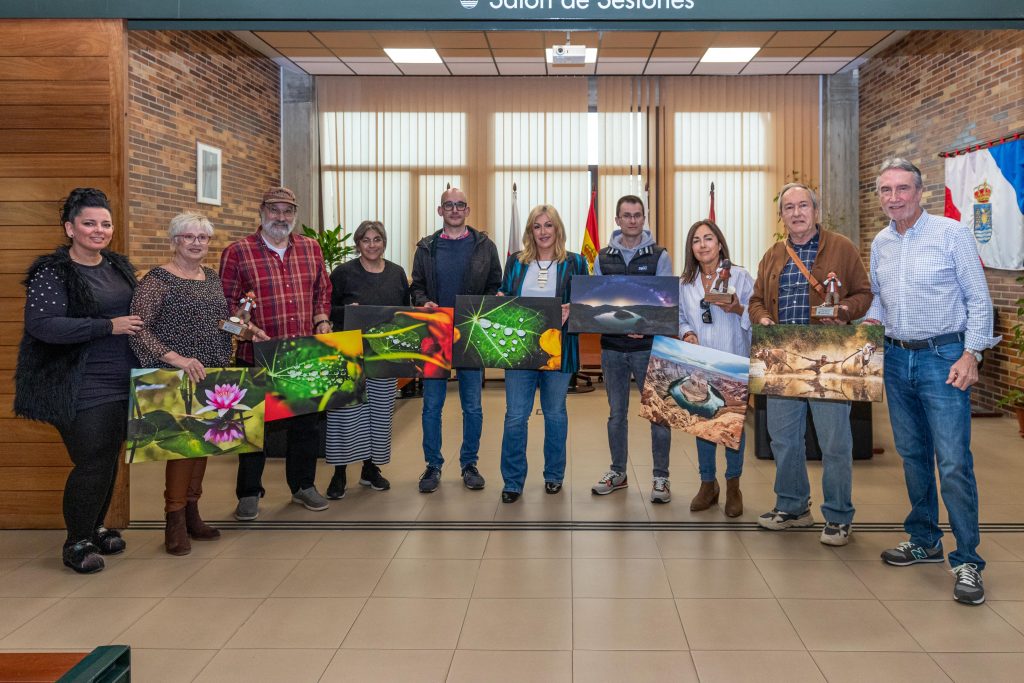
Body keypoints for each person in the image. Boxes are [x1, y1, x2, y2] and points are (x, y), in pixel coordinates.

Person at [865, 158, 999, 604]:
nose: (894, 198)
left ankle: (967, 561)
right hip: (898, 358)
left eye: (902, 189)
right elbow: (880, 300)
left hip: (944, 358)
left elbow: (978, 298)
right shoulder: (881, 241)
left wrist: (972, 353)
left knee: (954, 461)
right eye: (886, 190)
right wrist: (868, 335)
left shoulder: (951, 234)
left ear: (920, 192)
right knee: (912, 455)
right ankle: (924, 539)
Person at [15, 188, 142, 574]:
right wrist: (107, 325)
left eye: (105, 223)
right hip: (78, 382)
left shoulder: (118, 267)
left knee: (108, 456)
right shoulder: (52, 272)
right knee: (92, 460)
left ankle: (96, 526)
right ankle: (76, 542)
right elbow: (43, 326)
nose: (98, 230)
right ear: (70, 227)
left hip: (124, 378)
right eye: (89, 223)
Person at [130, 212, 266, 555]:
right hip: (176, 375)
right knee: (180, 450)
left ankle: (192, 513)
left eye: (202, 238)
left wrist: (248, 332)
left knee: (204, 445)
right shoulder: (157, 280)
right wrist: (175, 358)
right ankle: (173, 520)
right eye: (188, 237)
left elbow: (220, 323)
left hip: (213, 373)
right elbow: (138, 328)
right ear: (175, 240)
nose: (196, 243)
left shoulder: (210, 277)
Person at [748, 182, 871, 546]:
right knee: (783, 438)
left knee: (834, 441)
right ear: (781, 215)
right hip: (782, 356)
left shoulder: (842, 248)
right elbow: (756, 301)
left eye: (803, 205)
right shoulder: (773, 254)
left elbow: (864, 293)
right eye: (789, 207)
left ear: (815, 211)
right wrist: (764, 320)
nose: (797, 212)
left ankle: (837, 515)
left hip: (828, 355)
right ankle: (793, 506)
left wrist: (846, 310)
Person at [219, 186, 333, 520]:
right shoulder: (237, 252)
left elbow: (321, 292)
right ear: (261, 211)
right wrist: (245, 331)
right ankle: (249, 492)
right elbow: (224, 312)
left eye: (287, 211)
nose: (281, 217)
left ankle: (303, 486)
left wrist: (322, 320)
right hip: (258, 356)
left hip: (303, 354)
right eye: (274, 210)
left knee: (306, 428)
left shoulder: (311, 249)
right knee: (253, 429)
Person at [410, 187, 502, 493]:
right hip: (436, 334)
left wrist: (483, 306)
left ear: (468, 209)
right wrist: (424, 302)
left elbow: (495, 285)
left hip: (471, 333)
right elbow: (417, 287)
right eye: (448, 205)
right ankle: (433, 465)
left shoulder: (484, 246)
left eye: (460, 204)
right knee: (431, 406)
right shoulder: (425, 247)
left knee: (472, 406)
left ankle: (469, 464)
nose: (454, 209)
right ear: (440, 211)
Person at [498, 205, 589, 502]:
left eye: (548, 225)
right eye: (537, 226)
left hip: (558, 351)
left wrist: (572, 309)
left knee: (554, 414)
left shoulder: (574, 262)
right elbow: (505, 297)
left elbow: (587, 303)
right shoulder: (516, 262)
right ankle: (512, 481)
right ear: (530, 231)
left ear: (558, 229)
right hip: (519, 352)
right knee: (515, 417)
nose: (543, 231)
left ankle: (554, 475)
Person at [590, 194, 675, 503]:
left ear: (644, 218)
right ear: (617, 220)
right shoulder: (602, 257)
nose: (632, 220)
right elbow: (596, 300)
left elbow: (665, 301)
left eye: (637, 215)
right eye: (626, 215)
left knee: (658, 412)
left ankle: (661, 478)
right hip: (612, 348)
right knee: (616, 414)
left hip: (648, 348)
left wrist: (645, 326)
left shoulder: (659, 255)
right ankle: (618, 472)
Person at [324, 220, 410, 500]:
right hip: (348, 353)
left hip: (383, 355)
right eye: (366, 240)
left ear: (384, 242)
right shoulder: (343, 273)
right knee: (344, 416)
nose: (372, 245)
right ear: (357, 244)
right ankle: (339, 473)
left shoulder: (397, 273)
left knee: (379, 415)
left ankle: (370, 469)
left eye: (377, 239)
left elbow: (404, 311)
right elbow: (326, 309)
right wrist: (346, 310)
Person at [678, 220, 753, 517]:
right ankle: (708, 484)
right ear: (691, 249)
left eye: (708, 238)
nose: (703, 245)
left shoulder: (741, 276)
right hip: (700, 362)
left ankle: (733, 484)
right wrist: (687, 334)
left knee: (732, 426)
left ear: (719, 243)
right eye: (696, 240)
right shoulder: (685, 282)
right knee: (704, 424)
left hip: (732, 359)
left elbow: (756, 314)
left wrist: (736, 308)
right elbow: (683, 317)